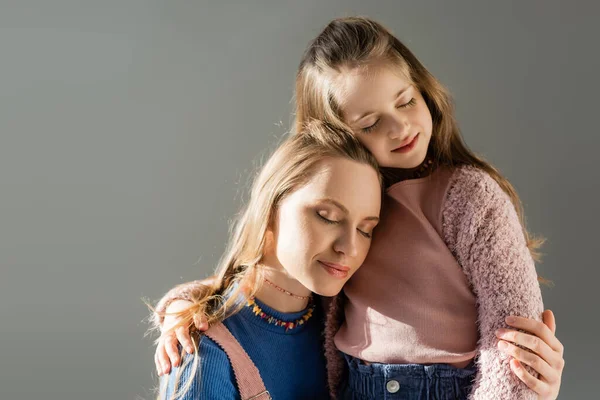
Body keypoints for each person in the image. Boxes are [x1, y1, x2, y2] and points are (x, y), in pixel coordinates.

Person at [153, 17, 565, 399]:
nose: (400, 128)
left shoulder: (469, 197)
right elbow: (276, 274)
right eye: (369, 124)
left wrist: (524, 386)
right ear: (330, 137)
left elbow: (515, 338)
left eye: (406, 102)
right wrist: (183, 307)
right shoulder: (348, 201)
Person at [156, 122, 383, 399]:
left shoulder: (350, 325)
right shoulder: (204, 355)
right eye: (328, 216)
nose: (349, 247)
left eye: (365, 230)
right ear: (272, 207)